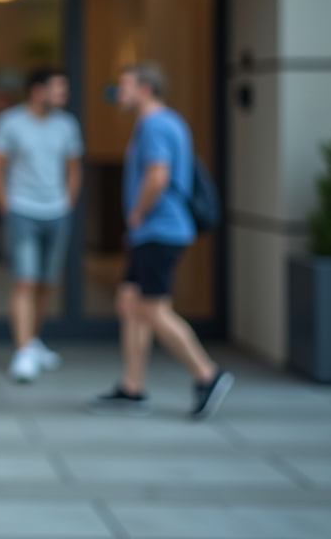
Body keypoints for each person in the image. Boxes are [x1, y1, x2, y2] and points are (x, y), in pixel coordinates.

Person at [89, 62, 233, 420]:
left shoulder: (154, 125)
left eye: (123, 86)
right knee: (130, 302)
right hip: (153, 233)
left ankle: (207, 374)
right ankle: (132, 388)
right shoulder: (166, 122)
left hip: (160, 230)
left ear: (144, 90)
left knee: (153, 309)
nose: (117, 94)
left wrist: (136, 214)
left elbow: (157, 176)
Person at [0, 68, 82, 383]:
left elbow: (74, 167)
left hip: (56, 213)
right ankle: (24, 350)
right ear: (37, 91)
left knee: (46, 283)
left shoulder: (67, 125)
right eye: (58, 89)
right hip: (22, 212)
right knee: (24, 281)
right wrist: (7, 208)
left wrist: (67, 203)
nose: (63, 96)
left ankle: (34, 341)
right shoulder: (10, 122)